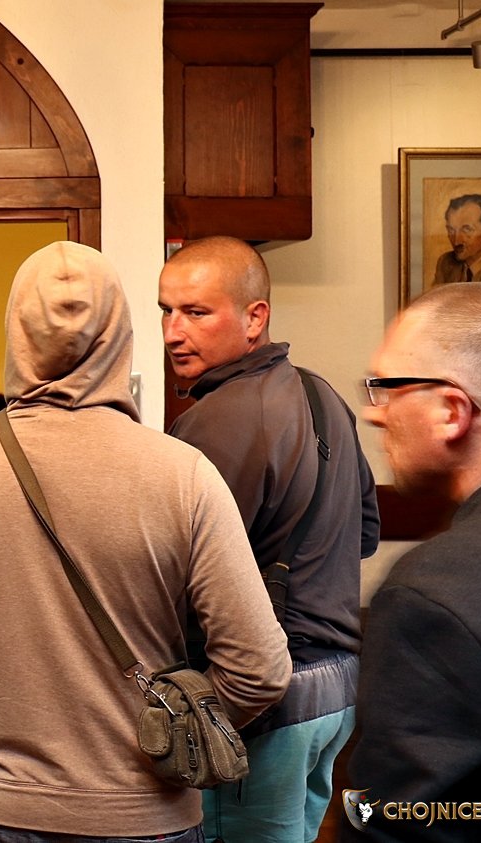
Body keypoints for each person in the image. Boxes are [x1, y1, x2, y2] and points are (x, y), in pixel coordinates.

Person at [0, 241, 290, 843]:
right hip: (149, 813)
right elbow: (259, 668)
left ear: (15, 332)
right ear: (119, 334)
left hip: (0, 809)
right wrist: (178, 731)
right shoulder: (182, 473)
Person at [159, 236, 380, 843]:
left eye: (196, 312)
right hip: (337, 691)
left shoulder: (212, 421)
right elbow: (365, 533)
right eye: (166, 311)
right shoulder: (321, 394)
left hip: (266, 702)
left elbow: (178, 579)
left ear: (255, 317)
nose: (174, 332)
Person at [348, 282, 481, 841]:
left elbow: (398, 822)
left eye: (386, 388)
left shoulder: (438, 590)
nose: (372, 414)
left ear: (451, 411)